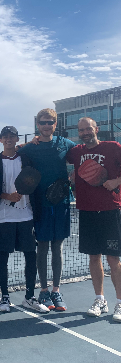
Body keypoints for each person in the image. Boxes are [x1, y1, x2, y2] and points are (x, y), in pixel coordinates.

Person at [19, 108, 75, 311]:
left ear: (55, 124)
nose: (46, 125)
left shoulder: (65, 144)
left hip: (61, 204)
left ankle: (56, 290)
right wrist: (24, 143)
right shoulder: (29, 148)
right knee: (42, 247)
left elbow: (82, 157)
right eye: (42, 122)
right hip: (40, 204)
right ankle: (43, 291)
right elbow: (12, 154)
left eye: (50, 122)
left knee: (57, 247)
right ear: (37, 124)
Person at [67, 117, 121, 322]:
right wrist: (34, 140)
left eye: (88, 128)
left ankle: (120, 302)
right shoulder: (76, 151)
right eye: (81, 130)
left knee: (114, 259)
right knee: (93, 257)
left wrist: (116, 180)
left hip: (110, 210)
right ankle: (100, 300)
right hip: (87, 211)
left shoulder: (113, 147)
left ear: (96, 128)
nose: (85, 132)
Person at [0, 126, 49, 313]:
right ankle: (4, 297)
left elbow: (34, 181)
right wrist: (6, 196)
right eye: (5, 137)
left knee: (31, 255)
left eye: (12, 136)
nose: (8, 139)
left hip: (27, 216)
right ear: (1, 140)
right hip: (4, 217)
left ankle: (29, 296)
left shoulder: (26, 159)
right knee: (3, 257)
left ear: (16, 139)